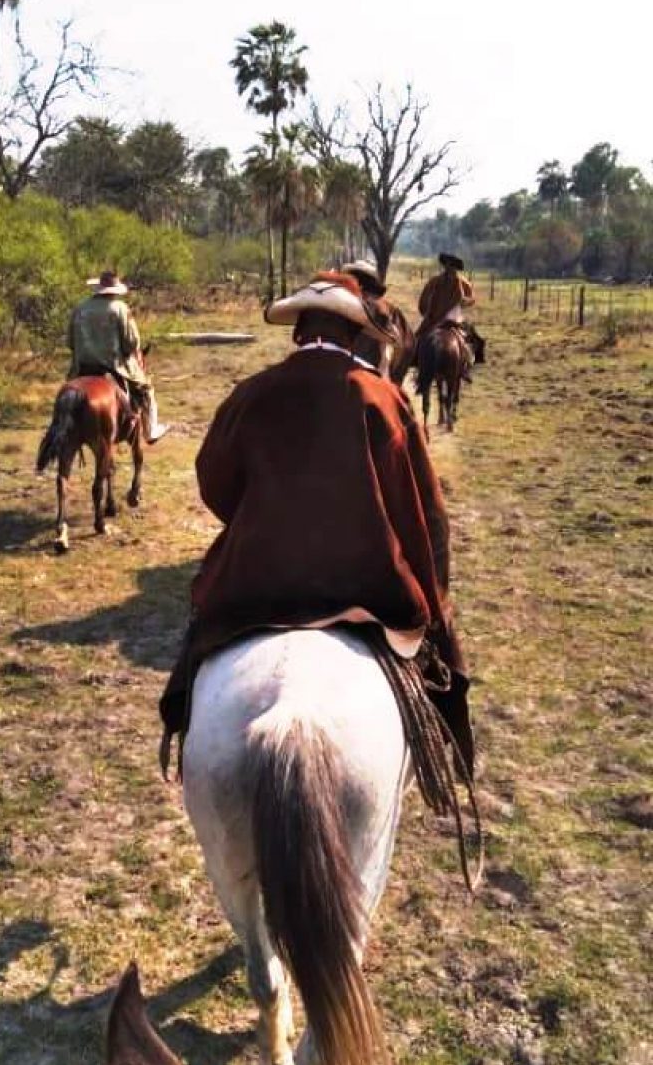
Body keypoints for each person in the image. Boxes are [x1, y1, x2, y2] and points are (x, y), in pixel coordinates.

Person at [160, 270, 474, 773]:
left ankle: (179, 722)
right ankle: (450, 745)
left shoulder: (251, 393)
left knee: (199, 630)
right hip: (369, 585)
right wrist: (436, 598)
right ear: (356, 334)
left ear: (297, 330)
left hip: (256, 582)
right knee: (438, 646)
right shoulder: (382, 398)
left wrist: (263, 512)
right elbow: (424, 510)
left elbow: (214, 484)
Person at [67, 270, 168, 443]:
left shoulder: (80, 308)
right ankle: (151, 429)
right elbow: (132, 342)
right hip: (114, 365)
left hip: (82, 366)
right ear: (115, 290)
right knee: (146, 388)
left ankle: (60, 432)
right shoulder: (120, 309)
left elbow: (70, 341)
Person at [415, 253, 481, 379]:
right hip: (438, 318)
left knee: (476, 341)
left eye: (452, 266)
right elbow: (424, 300)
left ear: (455, 267)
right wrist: (427, 313)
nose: (449, 268)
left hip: (450, 319)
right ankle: (416, 364)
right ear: (445, 265)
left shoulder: (463, 283)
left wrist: (465, 301)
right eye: (448, 265)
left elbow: (471, 299)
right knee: (416, 339)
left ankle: (466, 367)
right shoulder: (435, 281)